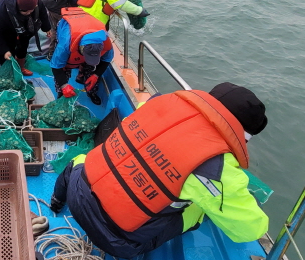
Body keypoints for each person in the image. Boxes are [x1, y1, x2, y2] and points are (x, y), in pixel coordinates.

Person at [50, 82, 269, 258]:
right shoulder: (218, 168)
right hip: (116, 240)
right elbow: (249, 230)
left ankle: (56, 201)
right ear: (242, 135)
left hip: (75, 193)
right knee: (199, 211)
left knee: (83, 160)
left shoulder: (157, 103)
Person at [50, 7, 113, 105]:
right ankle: (61, 93)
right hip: (69, 25)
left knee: (91, 69)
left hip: (88, 23)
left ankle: (91, 91)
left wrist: (96, 75)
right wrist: (63, 85)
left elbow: (107, 59)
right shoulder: (65, 44)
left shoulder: (105, 42)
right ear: (80, 48)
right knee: (63, 72)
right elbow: (56, 66)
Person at [0, 0, 51, 75]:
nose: (29, 13)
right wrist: (4, 51)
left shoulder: (35, 0)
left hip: (24, 29)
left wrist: (47, 28)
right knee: (8, 53)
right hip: (7, 31)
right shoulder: (0, 12)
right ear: (17, 7)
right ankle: (11, 73)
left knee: (23, 47)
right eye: (25, 12)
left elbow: (42, 12)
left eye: (32, 10)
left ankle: (21, 68)